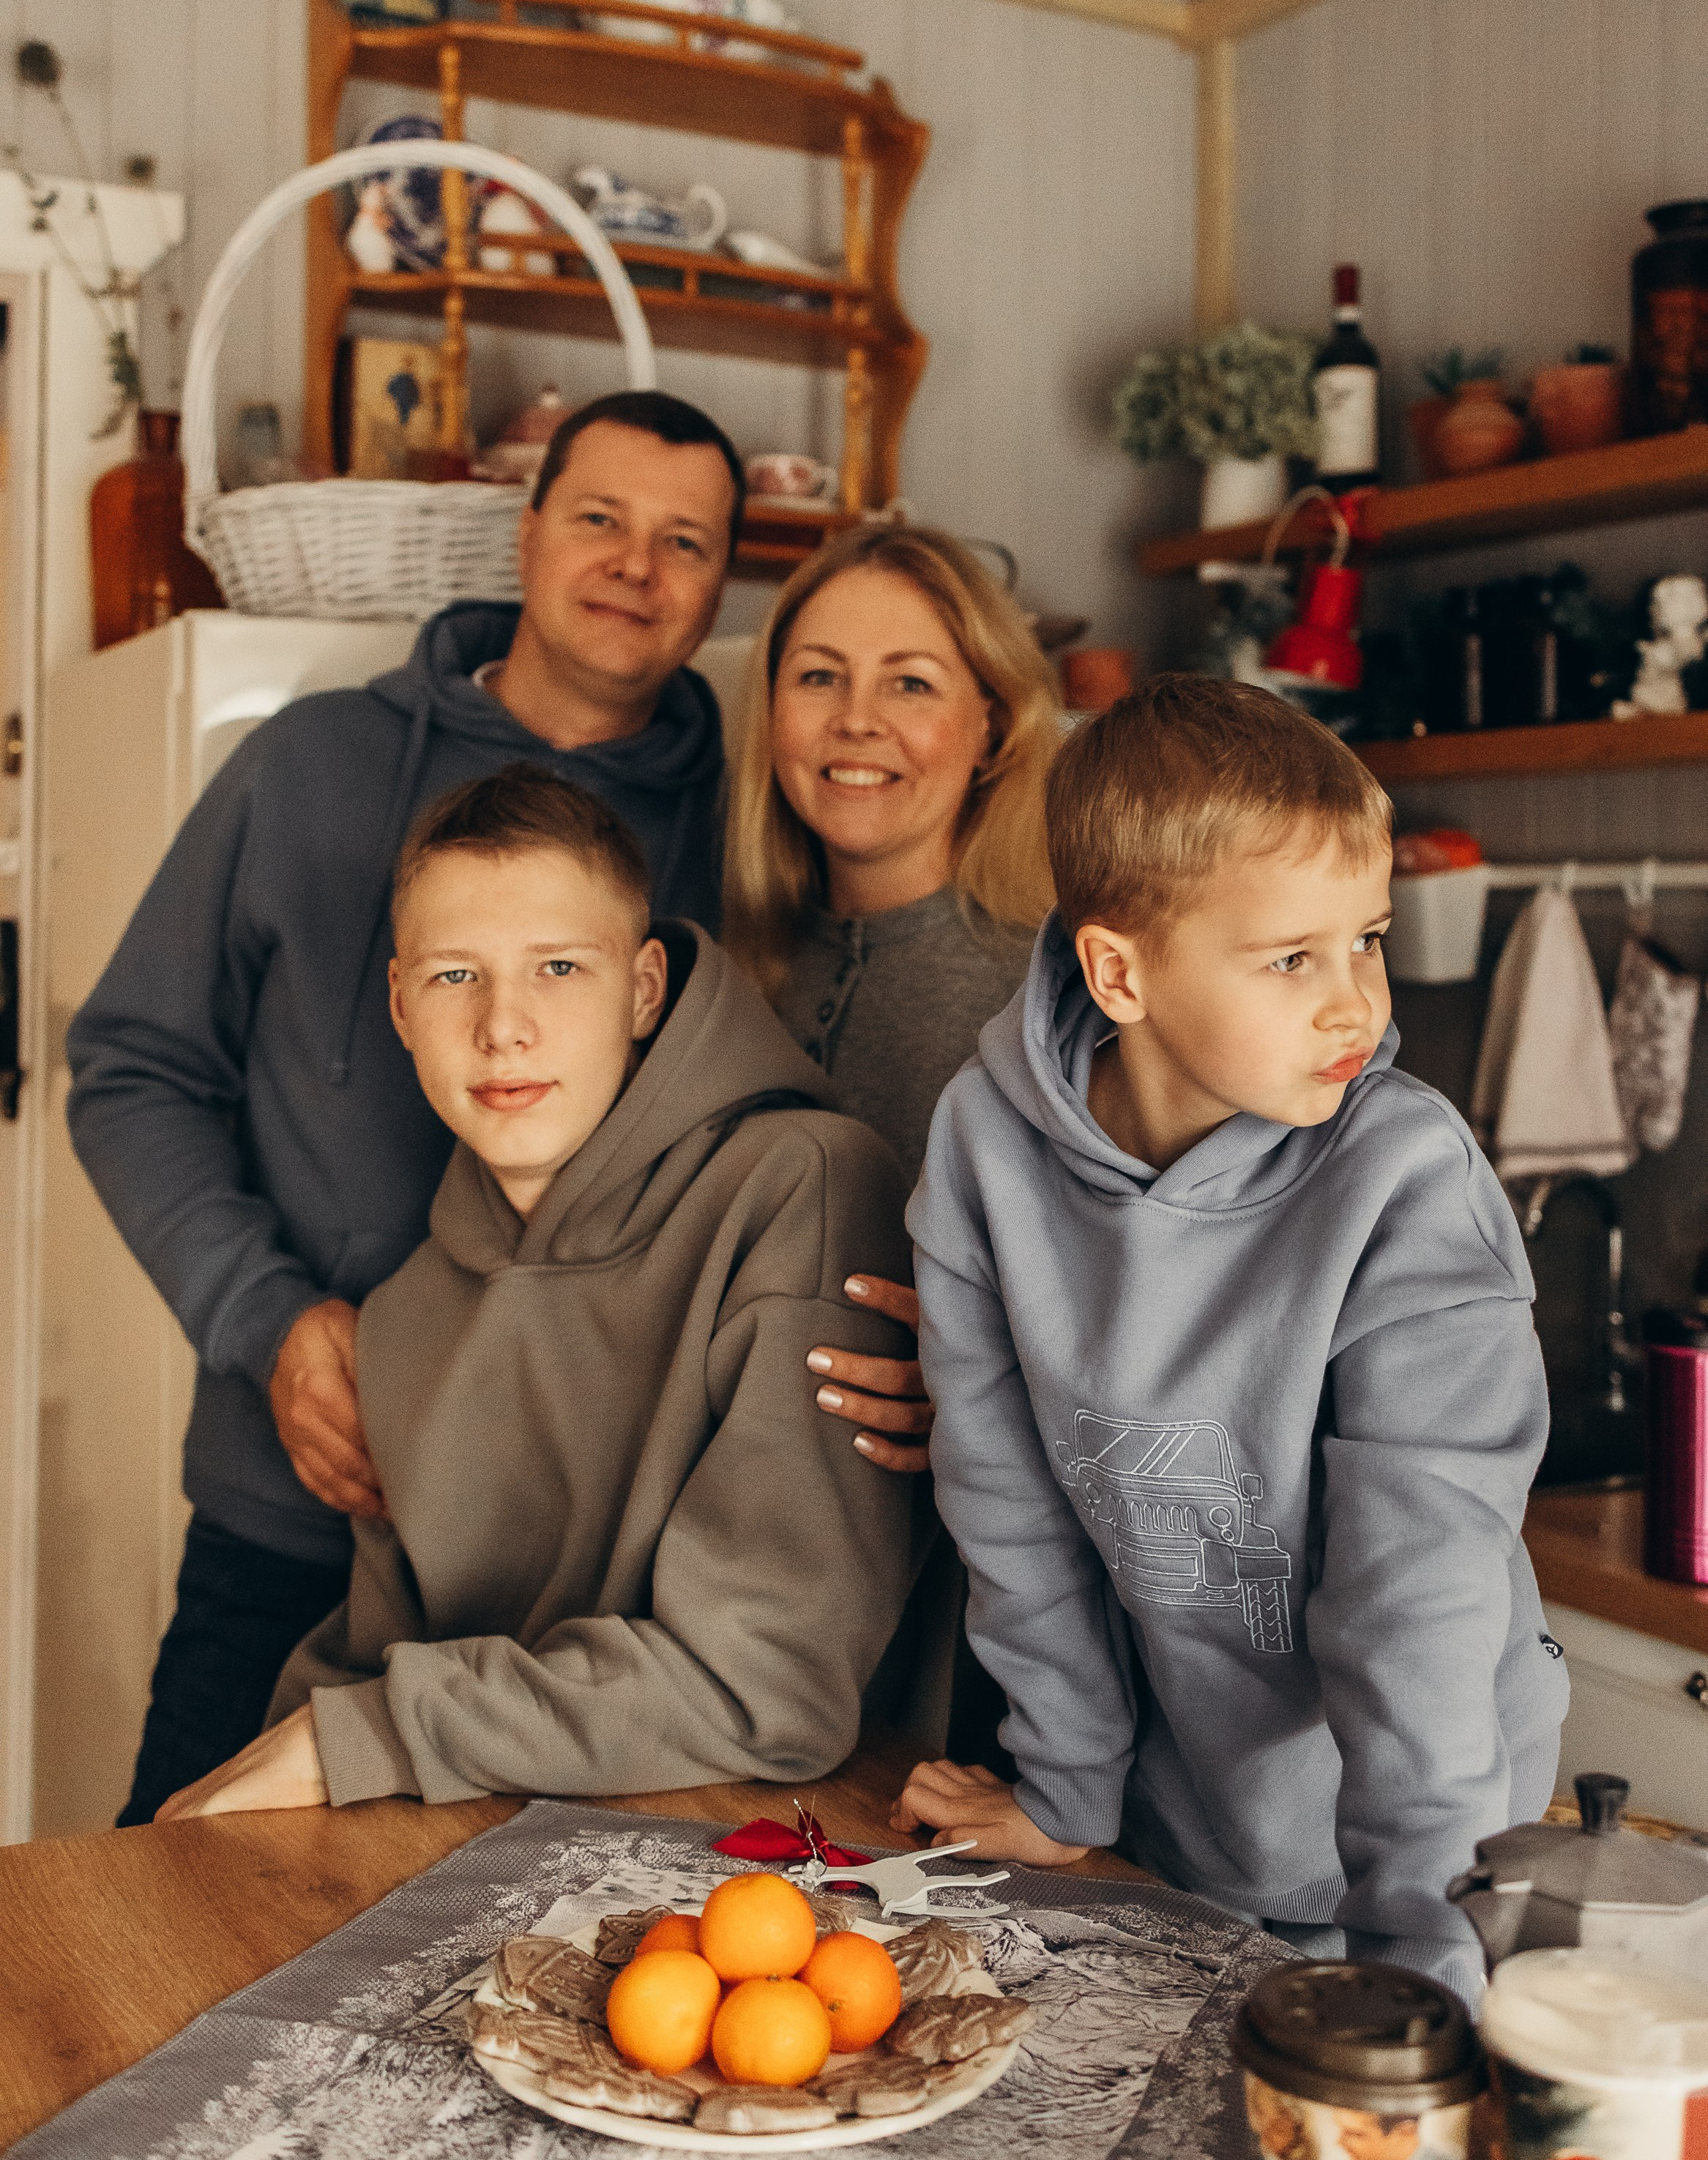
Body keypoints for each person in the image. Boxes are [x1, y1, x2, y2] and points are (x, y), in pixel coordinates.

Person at [67, 390, 746, 1824]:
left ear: (719, 586)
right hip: (296, 1508)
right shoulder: (306, 768)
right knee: (161, 1930)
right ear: (528, 533)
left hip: (591, 1571)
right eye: (602, 519)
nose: (637, 563)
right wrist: (270, 1321)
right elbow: (134, 1069)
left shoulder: (751, 834)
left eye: (686, 540)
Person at [896, 674, 1567, 2000]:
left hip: (1442, 1836)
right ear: (1118, 971)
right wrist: (1072, 1791)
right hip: (1190, 1827)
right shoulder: (982, 1146)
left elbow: (1415, 1600)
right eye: (1290, 959)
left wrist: (1424, 1971)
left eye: (1365, 938)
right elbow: (1009, 1503)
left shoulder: (1404, 1175)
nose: (1355, 1007)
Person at [155, 767, 923, 1818]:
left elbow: (770, 1687)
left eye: (558, 967)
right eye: (454, 976)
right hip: (502, 1860)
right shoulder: (406, 1315)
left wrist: (368, 1736)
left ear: (645, 988)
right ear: (397, 1005)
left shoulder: (803, 1190)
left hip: (785, 1864)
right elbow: (371, 1671)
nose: (503, 1027)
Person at [724, 521, 1059, 1489]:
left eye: (909, 682)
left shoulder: (1059, 996)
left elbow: (1177, 1296)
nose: (855, 720)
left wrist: (994, 1387)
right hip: (749, 1533)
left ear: (992, 725)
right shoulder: (725, 978)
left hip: (972, 1577)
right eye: (819, 677)